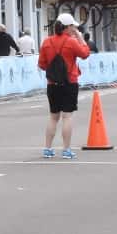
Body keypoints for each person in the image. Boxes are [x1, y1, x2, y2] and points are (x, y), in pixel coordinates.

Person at [38, 11, 90, 159]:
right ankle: (66, 150)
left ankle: (47, 149)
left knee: (53, 117)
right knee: (67, 116)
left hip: (52, 83)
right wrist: (80, 38)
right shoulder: (71, 41)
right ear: (68, 27)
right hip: (69, 82)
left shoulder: (46, 42)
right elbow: (85, 54)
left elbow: (41, 65)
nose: (74, 29)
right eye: (73, 27)